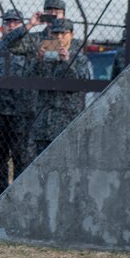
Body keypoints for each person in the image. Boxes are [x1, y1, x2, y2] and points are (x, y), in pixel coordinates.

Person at [0, 8, 34, 195]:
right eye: (7, 22)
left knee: (21, 156)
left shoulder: (29, 46)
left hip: (21, 112)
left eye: (15, 22)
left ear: (22, 25)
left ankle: (21, 194)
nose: (11, 25)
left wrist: (29, 27)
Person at [28, 17, 91, 156]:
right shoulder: (46, 57)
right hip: (43, 124)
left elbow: (75, 86)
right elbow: (30, 80)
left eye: (64, 33)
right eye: (56, 34)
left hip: (66, 124)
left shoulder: (79, 59)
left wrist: (66, 62)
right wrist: (38, 61)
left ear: (72, 35)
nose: (59, 37)